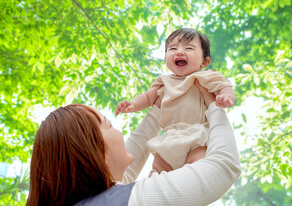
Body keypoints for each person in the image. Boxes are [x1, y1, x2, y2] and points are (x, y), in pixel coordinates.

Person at [26, 81, 240, 206]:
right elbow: (222, 167)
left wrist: (159, 108)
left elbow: (138, 144)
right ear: (96, 150)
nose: (118, 131)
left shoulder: (100, 199)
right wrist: (214, 108)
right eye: (109, 125)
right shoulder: (129, 200)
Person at [116, 28, 235, 175]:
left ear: (205, 61)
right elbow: (147, 97)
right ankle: (154, 190)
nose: (179, 52)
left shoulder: (206, 77)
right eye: (172, 48)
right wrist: (132, 105)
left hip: (198, 134)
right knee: (157, 171)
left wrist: (226, 97)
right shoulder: (164, 82)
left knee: (197, 167)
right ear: (166, 59)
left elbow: (224, 86)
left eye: (189, 48)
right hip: (170, 136)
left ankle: (189, 190)